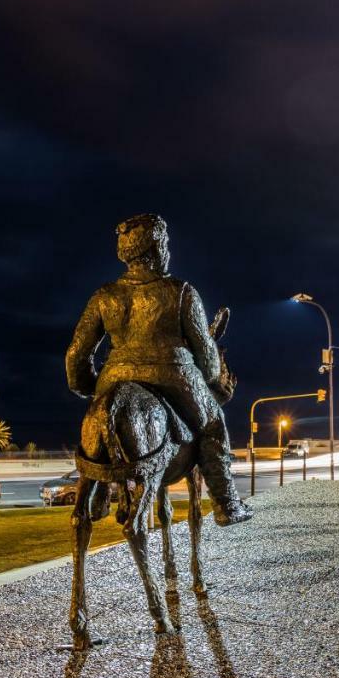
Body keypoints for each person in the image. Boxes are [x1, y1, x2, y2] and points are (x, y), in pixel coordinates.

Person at [66, 213, 251, 526]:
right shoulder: (182, 292)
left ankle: (98, 488)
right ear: (154, 251)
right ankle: (226, 505)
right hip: (174, 377)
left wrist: (90, 387)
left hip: (114, 377)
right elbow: (207, 358)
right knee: (213, 426)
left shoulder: (104, 296)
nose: (168, 251)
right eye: (165, 244)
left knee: (99, 417)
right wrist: (205, 381)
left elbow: (76, 355)